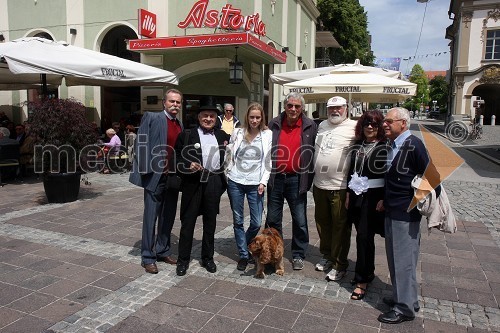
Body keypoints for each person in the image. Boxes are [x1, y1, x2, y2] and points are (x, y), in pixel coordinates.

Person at [378, 107, 432, 324]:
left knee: (404, 260)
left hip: (405, 213)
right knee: (396, 259)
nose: (384, 124)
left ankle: (405, 309)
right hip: (393, 210)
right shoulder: (395, 144)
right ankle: (406, 298)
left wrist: (414, 200)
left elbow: (432, 178)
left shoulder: (414, 145)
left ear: (403, 123)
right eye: (385, 121)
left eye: (389, 121)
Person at [129, 88, 184, 274]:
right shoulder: (152, 117)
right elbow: (141, 142)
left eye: (178, 102)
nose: (175, 104)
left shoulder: (179, 124)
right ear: (164, 102)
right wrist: (146, 171)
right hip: (155, 176)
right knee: (151, 217)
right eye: (172, 101)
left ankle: (163, 250)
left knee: (168, 217)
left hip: (172, 178)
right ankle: (147, 256)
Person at [174, 96, 230, 276]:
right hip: (193, 182)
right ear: (199, 117)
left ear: (216, 119)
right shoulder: (187, 135)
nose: (208, 119)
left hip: (213, 181)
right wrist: (187, 164)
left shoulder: (222, 136)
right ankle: (183, 260)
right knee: (188, 222)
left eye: (212, 116)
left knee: (210, 223)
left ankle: (208, 258)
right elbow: (176, 157)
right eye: (205, 115)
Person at [265, 92, 317, 270]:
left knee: (300, 219)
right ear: (284, 106)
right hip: (276, 178)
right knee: (272, 218)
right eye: (290, 105)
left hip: (297, 179)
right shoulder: (273, 124)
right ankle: (272, 251)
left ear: (302, 108)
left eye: (297, 106)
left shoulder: (310, 126)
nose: (293, 109)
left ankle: (298, 254)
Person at [312, 96, 356, 281]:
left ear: (346, 108)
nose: (334, 111)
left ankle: (339, 263)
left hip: (340, 186)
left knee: (340, 227)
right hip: (319, 184)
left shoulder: (354, 127)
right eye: (331, 108)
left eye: (338, 108)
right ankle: (327, 255)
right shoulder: (322, 125)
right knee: (323, 223)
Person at [346, 110, 388, 300]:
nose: (370, 127)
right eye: (367, 124)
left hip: (374, 197)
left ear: (380, 127)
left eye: (374, 124)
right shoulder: (357, 145)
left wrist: (385, 197)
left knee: (364, 236)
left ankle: (362, 279)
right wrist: (348, 193)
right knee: (363, 237)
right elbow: (350, 171)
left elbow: (391, 175)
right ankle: (367, 271)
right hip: (356, 196)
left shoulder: (386, 146)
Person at [225, 102, 272, 271]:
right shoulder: (238, 132)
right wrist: (226, 171)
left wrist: (263, 181)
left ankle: (244, 244)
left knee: (256, 221)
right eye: (251, 117)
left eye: (257, 117)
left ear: (262, 118)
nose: (254, 120)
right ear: (247, 117)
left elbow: (268, 160)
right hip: (236, 180)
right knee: (238, 220)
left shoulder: (267, 134)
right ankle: (244, 255)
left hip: (255, 183)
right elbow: (229, 153)